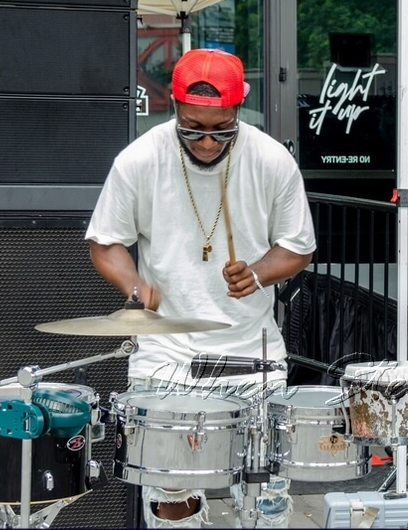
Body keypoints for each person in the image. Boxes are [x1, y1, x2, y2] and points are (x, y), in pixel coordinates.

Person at [86, 48, 316, 527]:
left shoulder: (272, 161)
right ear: (174, 107)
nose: (207, 143)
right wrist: (135, 287)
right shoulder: (140, 160)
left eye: (220, 130)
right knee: (171, 501)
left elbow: (298, 248)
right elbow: (105, 243)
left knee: (264, 498)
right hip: (166, 356)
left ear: (239, 109)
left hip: (252, 357)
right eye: (192, 128)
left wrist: (258, 272)